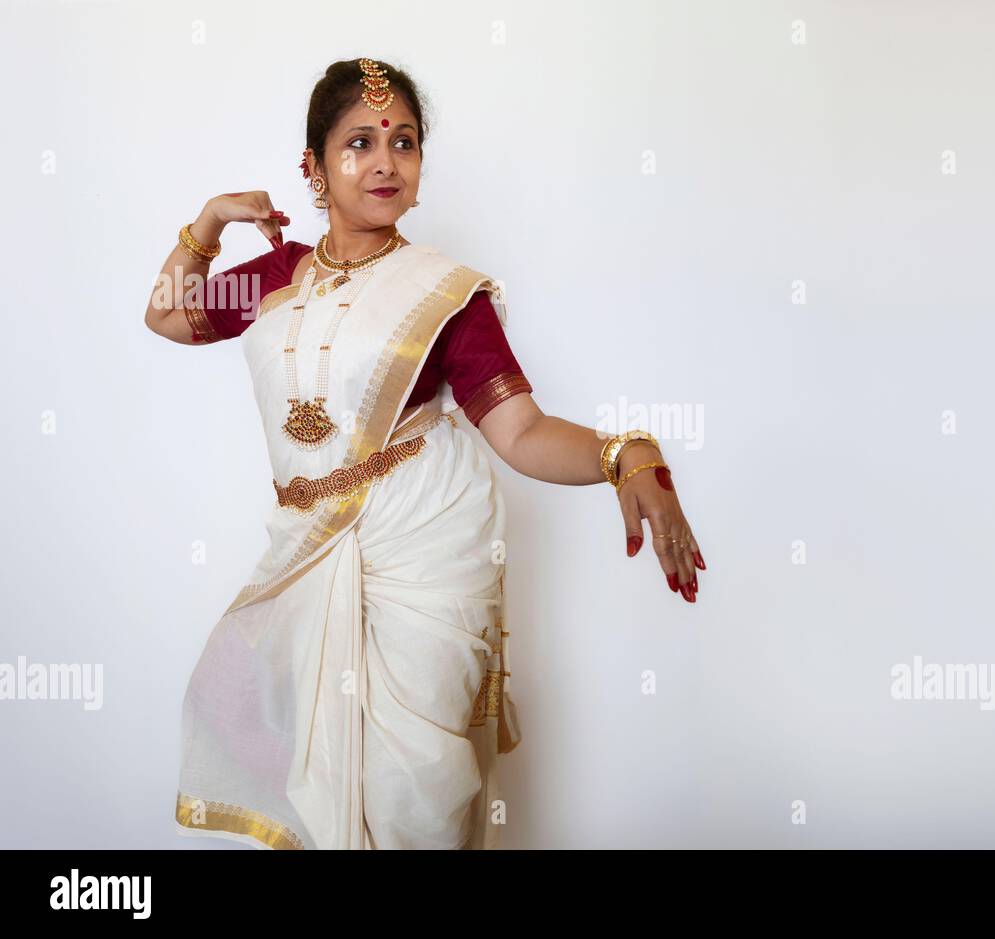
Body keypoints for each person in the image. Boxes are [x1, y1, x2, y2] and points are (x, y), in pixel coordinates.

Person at [144, 57, 706, 850]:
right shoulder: (278, 274)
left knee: (415, 803)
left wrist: (625, 452)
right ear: (312, 168)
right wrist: (207, 223)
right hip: (309, 558)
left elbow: (521, 432)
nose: (385, 161)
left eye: (403, 142)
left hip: (426, 561)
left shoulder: (443, 293)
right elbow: (167, 315)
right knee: (321, 788)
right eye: (359, 143)